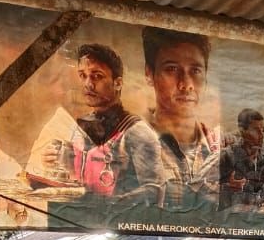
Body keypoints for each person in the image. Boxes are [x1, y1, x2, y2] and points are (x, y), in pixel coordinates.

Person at [28, 43, 163, 205]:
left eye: (97, 76)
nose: (88, 84)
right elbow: (79, 180)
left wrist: (108, 203)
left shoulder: (137, 132)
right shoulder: (80, 127)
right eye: (83, 76)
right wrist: (57, 159)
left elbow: (154, 192)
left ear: (118, 83)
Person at [142, 27, 220, 211]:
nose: (186, 84)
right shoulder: (130, 145)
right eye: (172, 69)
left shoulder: (221, 148)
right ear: (149, 74)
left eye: (195, 70)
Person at [221, 108, 264, 209]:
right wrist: (226, 187)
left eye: (263, 130)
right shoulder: (227, 155)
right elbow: (203, 189)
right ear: (242, 131)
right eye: (256, 130)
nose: (262, 135)